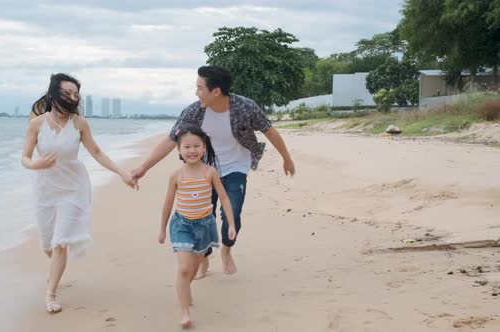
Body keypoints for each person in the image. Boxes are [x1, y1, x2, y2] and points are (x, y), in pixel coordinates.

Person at [132, 65, 295, 277]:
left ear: (216, 91)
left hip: (236, 166)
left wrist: (287, 158)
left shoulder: (246, 107)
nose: (196, 92)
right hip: (204, 170)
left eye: (200, 88)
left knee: (233, 215)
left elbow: (270, 131)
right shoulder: (193, 112)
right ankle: (205, 258)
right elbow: (170, 141)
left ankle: (226, 250)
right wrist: (143, 168)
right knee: (201, 216)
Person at [21, 73, 137, 314]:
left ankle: (51, 293)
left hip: (74, 188)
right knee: (48, 244)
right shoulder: (36, 124)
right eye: (67, 93)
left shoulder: (80, 123)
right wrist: (36, 165)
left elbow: (96, 152)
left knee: (61, 242)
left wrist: (122, 173)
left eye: (76, 94)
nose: (73, 98)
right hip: (46, 189)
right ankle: (55, 269)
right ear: (54, 94)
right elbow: (25, 158)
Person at [159, 126, 236, 328]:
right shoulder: (176, 176)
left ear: (204, 147)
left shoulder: (210, 172)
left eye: (196, 146)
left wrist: (231, 224)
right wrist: (162, 228)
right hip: (182, 225)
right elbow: (168, 203)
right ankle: (185, 310)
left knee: (194, 266)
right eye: (187, 146)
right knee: (185, 268)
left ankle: (199, 269)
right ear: (178, 149)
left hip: (204, 225)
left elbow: (224, 198)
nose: (192, 150)